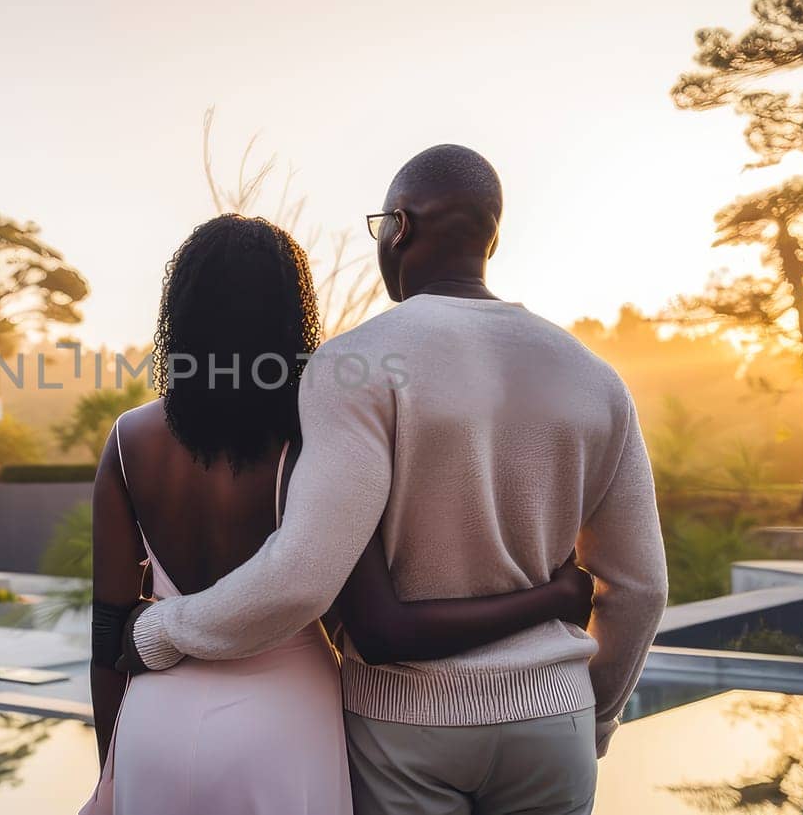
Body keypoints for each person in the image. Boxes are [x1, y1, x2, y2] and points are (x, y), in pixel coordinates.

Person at [123, 147, 670, 815]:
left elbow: (302, 575)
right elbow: (641, 588)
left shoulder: (354, 365)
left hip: (404, 730)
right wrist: (597, 715)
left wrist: (166, 626)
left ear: (400, 227)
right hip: (553, 721)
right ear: (489, 236)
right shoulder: (597, 379)